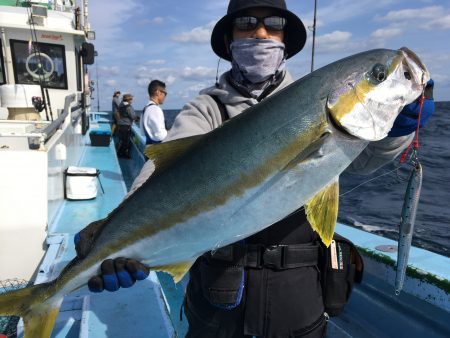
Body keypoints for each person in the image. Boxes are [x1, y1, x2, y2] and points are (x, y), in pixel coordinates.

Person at [75, 1, 435, 337]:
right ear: (229, 40)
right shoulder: (207, 108)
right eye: (246, 24)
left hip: (298, 295)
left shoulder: (312, 99)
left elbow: (365, 160)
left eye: (273, 25)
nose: (260, 34)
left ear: (285, 40)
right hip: (219, 300)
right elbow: (161, 174)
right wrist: (111, 233)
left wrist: (395, 129)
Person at [140, 80, 168, 144]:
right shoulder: (155, 109)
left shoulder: (145, 109)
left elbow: (142, 132)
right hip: (158, 151)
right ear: (157, 92)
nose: (165, 96)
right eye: (165, 93)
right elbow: (160, 136)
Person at [116, 93, 137, 159]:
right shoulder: (128, 107)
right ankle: (123, 154)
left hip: (120, 125)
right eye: (131, 99)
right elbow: (133, 116)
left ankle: (119, 153)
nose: (132, 101)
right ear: (128, 100)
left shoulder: (120, 105)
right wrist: (137, 118)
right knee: (126, 141)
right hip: (126, 125)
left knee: (121, 140)